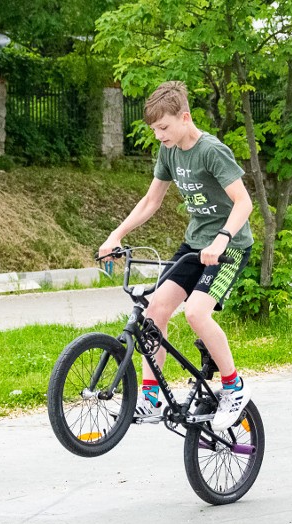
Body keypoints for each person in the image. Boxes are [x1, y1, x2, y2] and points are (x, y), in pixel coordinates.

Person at [98, 80, 254, 431]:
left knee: (197, 313)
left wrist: (222, 238)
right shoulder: (168, 152)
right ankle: (151, 397)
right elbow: (151, 201)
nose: (159, 136)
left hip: (229, 247)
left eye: (164, 128)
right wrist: (116, 234)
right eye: (154, 130)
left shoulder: (210, 151)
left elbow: (244, 203)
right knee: (154, 312)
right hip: (195, 244)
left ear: (185, 117)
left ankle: (233, 387)